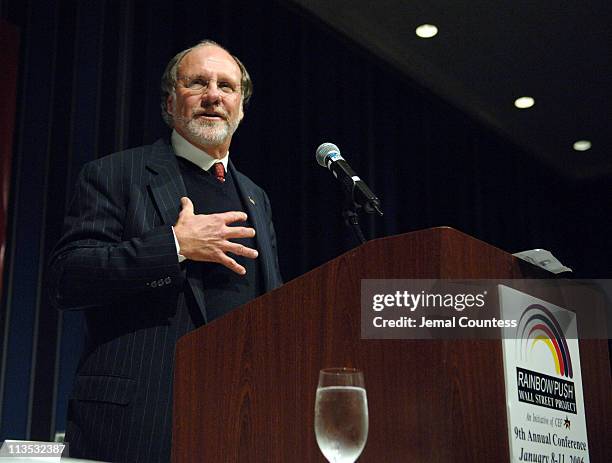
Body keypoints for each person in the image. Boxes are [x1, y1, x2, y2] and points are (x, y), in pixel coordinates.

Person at [47, 39, 282, 463]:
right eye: (197, 83)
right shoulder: (115, 174)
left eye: (226, 87)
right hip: (136, 425)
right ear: (170, 103)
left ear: (241, 108)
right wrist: (174, 246)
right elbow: (69, 278)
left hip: (236, 421)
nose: (213, 95)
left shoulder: (256, 198)